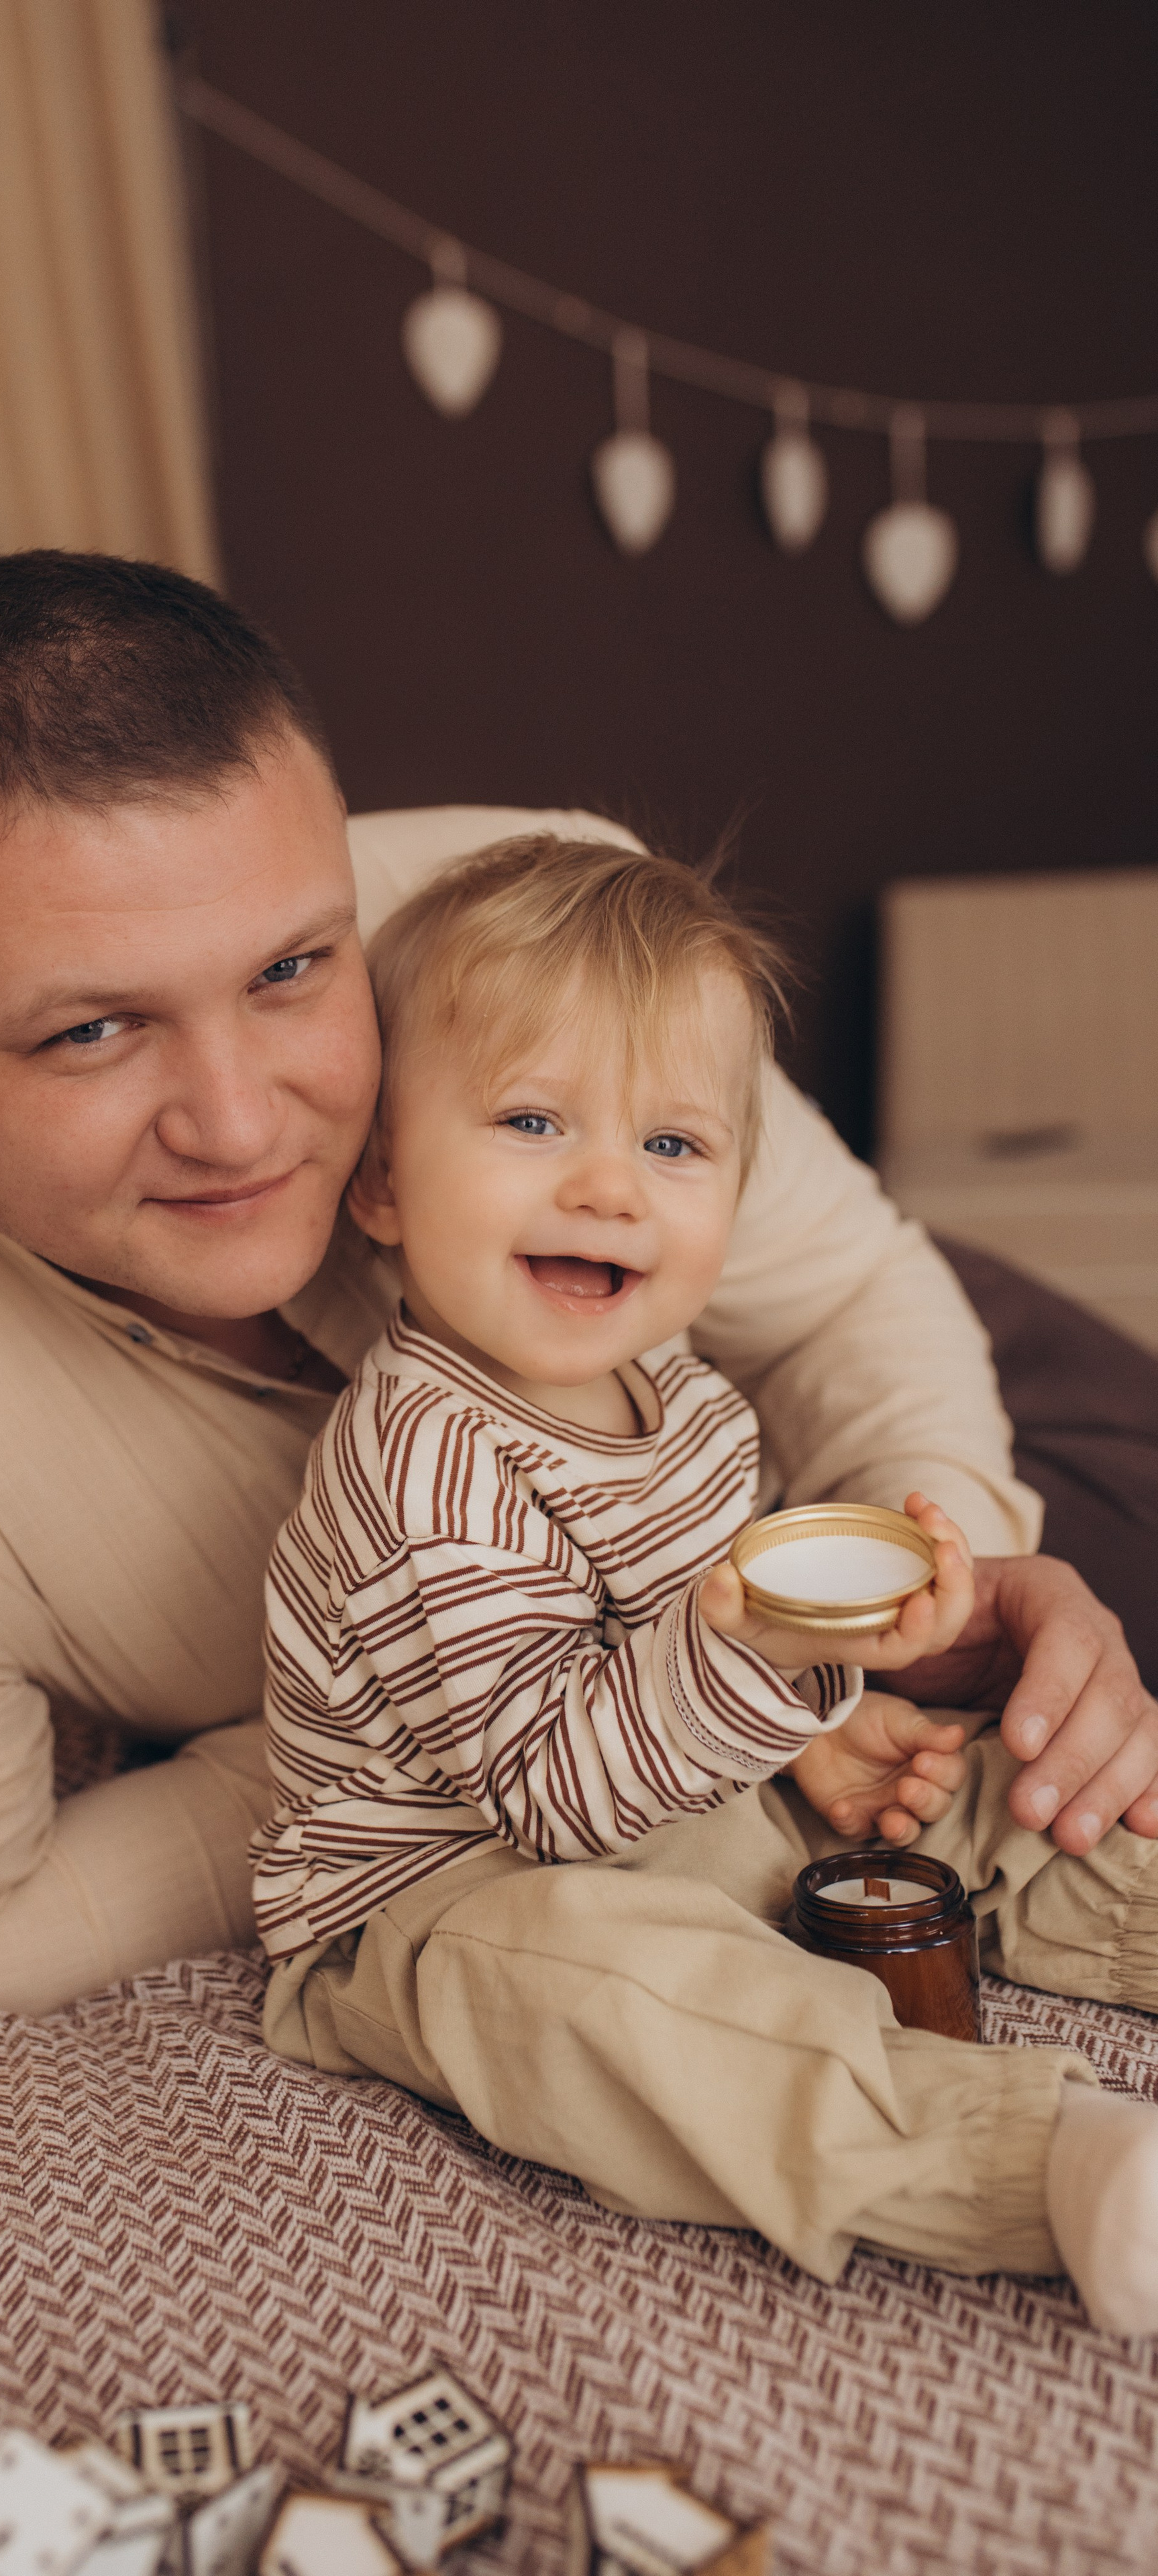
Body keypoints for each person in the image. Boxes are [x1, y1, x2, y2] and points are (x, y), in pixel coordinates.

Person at [0, 549, 1158, 2029]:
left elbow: (843, 1303)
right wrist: (382, 1737)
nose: (240, 1125)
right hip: (679, 1684)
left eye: (289, 972)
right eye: (94, 1034)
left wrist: (930, 1571)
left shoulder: (528, 926)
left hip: (838, 1421)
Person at [254, 833, 1158, 2333]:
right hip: (441, 1891)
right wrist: (759, 1683)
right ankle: (1031, 2160)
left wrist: (831, 1713)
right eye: (532, 1121)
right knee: (605, 1999)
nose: (610, 1187)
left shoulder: (677, 1390)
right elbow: (552, 1795)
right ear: (381, 1187)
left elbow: (695, 1639)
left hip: (679, 1787)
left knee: (995, 1781)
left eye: (673, 1146)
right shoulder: (416, 1466)